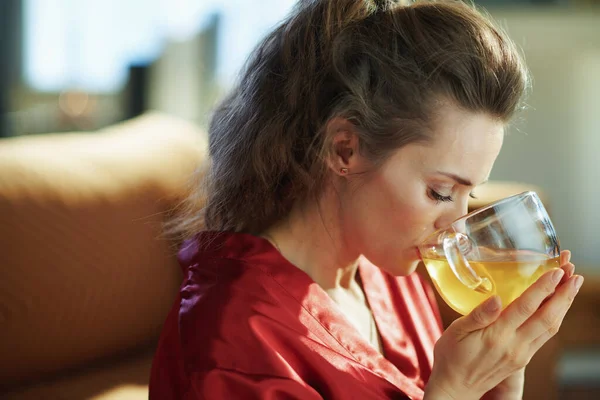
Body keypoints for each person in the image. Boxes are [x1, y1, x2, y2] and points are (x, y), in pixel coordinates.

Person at [149, 0, 584, 399]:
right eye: (440, 192)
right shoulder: (234, 338)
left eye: (469, 194)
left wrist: (501, 385)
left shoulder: (390, 274)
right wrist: (454, 389)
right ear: (344, 150)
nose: (456, 224)